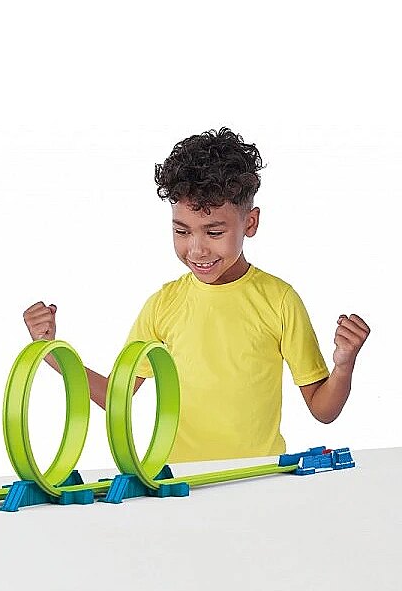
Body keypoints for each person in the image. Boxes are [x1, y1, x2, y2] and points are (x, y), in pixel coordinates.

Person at [22, 127, 371, 463]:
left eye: (214, 232)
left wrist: (344, 365)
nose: (197, 249)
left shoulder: (279, 301)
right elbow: (117, 396)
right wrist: (50, 350)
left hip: (256, 481)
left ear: (250, 223)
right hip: (180, 483)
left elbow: (323, 410)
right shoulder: (163, 305)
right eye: (182, 231)